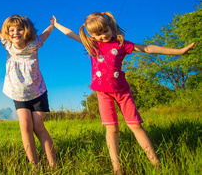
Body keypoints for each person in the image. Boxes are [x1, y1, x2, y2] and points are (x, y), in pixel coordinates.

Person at [52, 12, 195, 174]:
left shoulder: (121, 44)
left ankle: (156, 165)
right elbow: (70, 33)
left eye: (105, 31)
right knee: (112, 129)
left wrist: (180, 51)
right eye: (97, 34)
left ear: (110, 27)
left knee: (136, 126)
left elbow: (148, 48)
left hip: (122, 92)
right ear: (91, 35)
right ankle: (117, 168)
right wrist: (56, 25)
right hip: (103, 93)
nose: (102, 36)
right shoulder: (93, 45)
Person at [0, 0, 57, 168]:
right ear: (8, 32)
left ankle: (54, 165)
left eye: (19, 29)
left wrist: (52, 25)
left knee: (38, 126)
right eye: (11, 30)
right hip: (18, 93)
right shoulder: (7, 44)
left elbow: (45, 34)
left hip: (37, 91)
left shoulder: (34, 43)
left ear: (26, 30)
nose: (15, 33)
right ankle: (34, 166)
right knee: (25, 127)